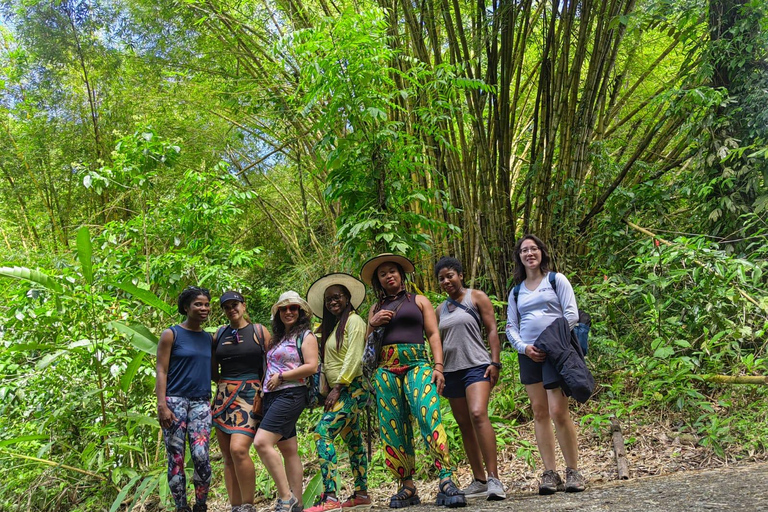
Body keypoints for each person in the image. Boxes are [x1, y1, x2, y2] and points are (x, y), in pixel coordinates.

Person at [361, 253, 466, 509]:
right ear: (379, 281)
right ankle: (406, 485)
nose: (389, 275)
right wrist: (372, 324)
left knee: (427, 413)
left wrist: (438, 366)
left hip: (418, 363)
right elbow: (367, 345)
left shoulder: (419, 301)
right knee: (392, 424)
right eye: (383, 273)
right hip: (385, 368)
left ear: (401, 274)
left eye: (393, 271)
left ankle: (445, 479)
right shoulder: (375, 309)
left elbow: (432, 334)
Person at [505, 235, 586, 494]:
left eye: (534, 249)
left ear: (542, 252)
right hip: (529, 354)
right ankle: (550, 473)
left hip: (556, 351)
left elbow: (571, 314)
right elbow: (511, 327)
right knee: (539, 412)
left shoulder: (556, 280)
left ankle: (573, 471)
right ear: (519, 257)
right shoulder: (516, 291)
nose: (529, 253)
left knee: (558, 411)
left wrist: (551, 342)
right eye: (524, 250)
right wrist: (524, 348)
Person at [434, 257, 506, 501]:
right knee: (464, 424)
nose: (446, 281)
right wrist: (439, 370)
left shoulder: (477, 297)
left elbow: (492, 329)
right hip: (452, 371)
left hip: (477, 365)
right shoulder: (439, 310)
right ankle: (479, 480)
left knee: (478, 414)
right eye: (442, 278)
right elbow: (436, 342)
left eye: (450, 275)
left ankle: (494, 478)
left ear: (461, 275)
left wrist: (495, 362)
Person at [304, 273, 371, 512]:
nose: (333, 302)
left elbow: (354, 357)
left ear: (347, 298)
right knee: (353, 440)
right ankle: (362, 494)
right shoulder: (333, 328)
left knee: (323, 432)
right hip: (343, 390)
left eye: (337, 297)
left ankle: (330, 496)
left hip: (351, 389)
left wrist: (338, 387)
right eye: (329, 299)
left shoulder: (354, 321)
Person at [253, 291, 319, 512]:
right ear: (278, 313)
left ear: (300, 311)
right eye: (284, 308)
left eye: (293, 308)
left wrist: (281, 377)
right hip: (272, 396)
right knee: (289, 449)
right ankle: (297, 504)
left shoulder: (306, 335)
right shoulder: (279, 337)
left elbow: (312, 366)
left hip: (290, 394)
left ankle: (285, 497)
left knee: (262, 442)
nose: (288, 312)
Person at [212, 291, 272, 512]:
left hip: (251, 394)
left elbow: (271, 361)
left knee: (239, 449)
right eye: (226, 307)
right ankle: (235, 506)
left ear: (243, 306)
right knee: (227, 455)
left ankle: (248, 504)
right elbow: (212, 368)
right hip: (223, 396)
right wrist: (226, 386)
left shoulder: (259, 331)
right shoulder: (219, 334)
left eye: (235, 304)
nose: (231, 309)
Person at [155, 286, 213, 512]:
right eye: (198, 304)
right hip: (175, 401)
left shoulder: (208, 338)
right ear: (186, 307)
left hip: (201, 401)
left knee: (201, 455)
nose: (203, 308)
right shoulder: (172, 334)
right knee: (176, 457)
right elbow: (161, 370)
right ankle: (181, 507)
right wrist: (162, 404)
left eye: (206, 304)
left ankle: (201, 505)